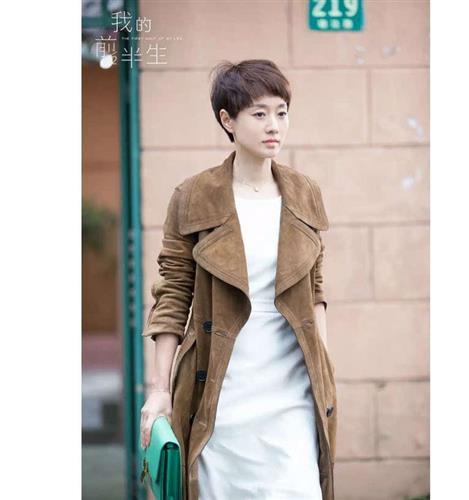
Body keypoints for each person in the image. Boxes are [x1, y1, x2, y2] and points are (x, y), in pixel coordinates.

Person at [140, 59, 336, 500]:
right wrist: (160, 390)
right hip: (220, 389)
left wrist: (323, 367)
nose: (274, 126)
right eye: (259, 113)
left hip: (291, 389)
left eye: (281, 112)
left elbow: (315, 289)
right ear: (227, 120)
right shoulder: (193, 196)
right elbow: (173, 294)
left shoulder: (305, 193)